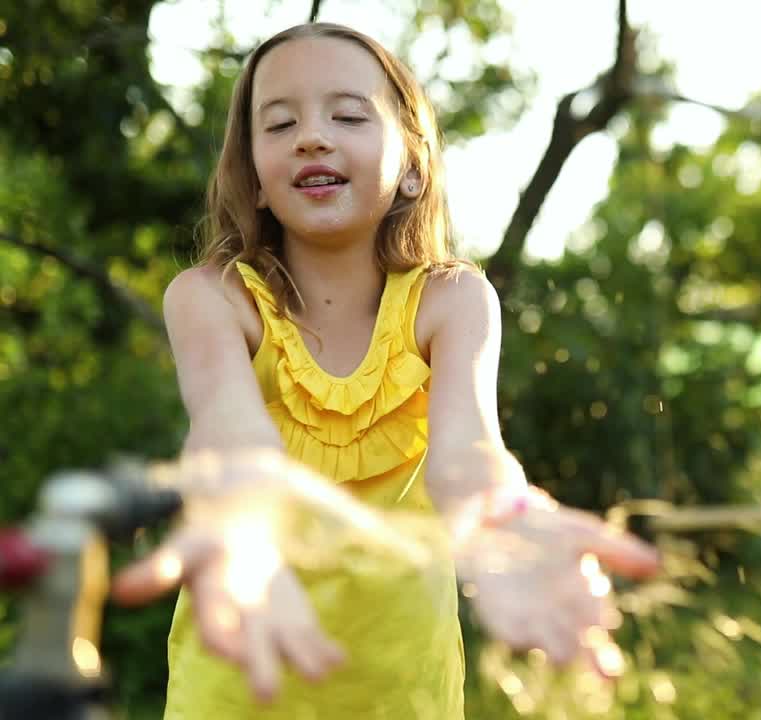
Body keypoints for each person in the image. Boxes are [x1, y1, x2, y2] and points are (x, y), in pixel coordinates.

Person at [108, 21, 661, 719]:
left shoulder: (452, 300)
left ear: (411, 165)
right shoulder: (212, 298)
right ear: (252, 179)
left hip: (404, 696)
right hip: (239, 688)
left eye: (346, 114)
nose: (312, 135)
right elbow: (229, 431)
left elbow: (467, 455)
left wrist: (504, 517)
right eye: (279, 124)